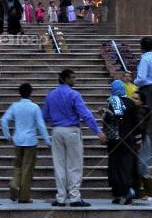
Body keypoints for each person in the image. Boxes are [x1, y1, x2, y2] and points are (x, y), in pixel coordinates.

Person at [41, 68, 105, 207]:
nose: (75, 80)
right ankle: (75, 197)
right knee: (74, 165)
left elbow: (44, 116)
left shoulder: (51, 95)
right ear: (66, 79)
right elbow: (86, 114)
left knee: (59, 165)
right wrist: (98, 131)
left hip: (57, 130)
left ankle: (60, 198)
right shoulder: (74, 94)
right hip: (72, 131)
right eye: (73, 77)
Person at [0, 82, 51, 203]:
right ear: (30, 93)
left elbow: (3, 120)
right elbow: (40, 125)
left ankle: (14, 182)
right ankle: (23, 196)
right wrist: (47, 140)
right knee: (27, 169)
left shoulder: (15, 105)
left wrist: (7, 135)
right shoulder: (34, 107)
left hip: (17, 140)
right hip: (30, 141)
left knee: (18, 166)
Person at [102, 79, 139, 204]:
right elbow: (136, 123)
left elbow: (107, 121)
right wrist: (137, 138)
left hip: (113, 140)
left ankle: (117, 193)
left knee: (114, 165)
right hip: (128, 140)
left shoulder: (111, 102)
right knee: (125, 165)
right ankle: (128, 189)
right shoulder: (131, 103)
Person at [134, 36, 152, 154]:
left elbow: (141, 77)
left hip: (146, 89)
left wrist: (134, 82)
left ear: (141, 48)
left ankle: (150, 147)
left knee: (147, 118)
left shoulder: (145, 60)